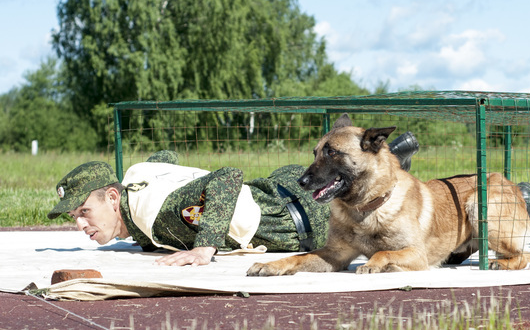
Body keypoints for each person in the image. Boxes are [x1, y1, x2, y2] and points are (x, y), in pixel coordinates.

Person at [47, 133, 421, 267]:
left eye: (84, 211)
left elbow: (227, 178)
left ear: (113, 198)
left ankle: (394, 158)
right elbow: (167, 158)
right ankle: (394, 156)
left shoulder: (159, 214)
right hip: (278, 184)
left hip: (297, 217)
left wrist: (204, 246)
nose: (80, 224)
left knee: (377, 206)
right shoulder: (137, 180)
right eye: (75, 217)